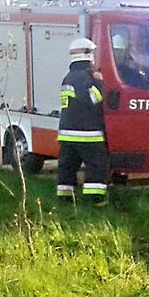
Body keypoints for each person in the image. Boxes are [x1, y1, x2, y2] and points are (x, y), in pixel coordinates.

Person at [56, 37, 109, 206]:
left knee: (67, 166)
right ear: (87, 55)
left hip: (67, 133)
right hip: (87, 134)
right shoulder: (84, 77)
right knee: (96, 165)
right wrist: (99, 83)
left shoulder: (69, 76)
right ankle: (96, 201)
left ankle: (65, 199)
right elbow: (92, 99)